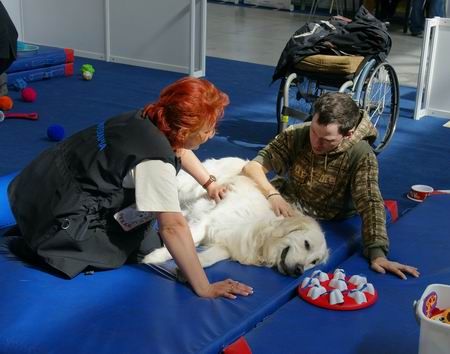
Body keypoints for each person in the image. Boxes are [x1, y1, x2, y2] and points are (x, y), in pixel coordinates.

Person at [7, 76, 253, 299]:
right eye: (208, 129)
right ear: (184, 130)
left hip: (36, 189)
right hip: (61, 222)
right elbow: (173, 228)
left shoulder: (146, 117)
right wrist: (204, 286)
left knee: (147, 238)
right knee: (131, 249)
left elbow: (178, 148)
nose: (212, 134)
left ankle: (36, 228)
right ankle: (42, 246)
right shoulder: (155, 163)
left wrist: (209, 182)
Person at [242, 92, 420, 280]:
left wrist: (378, 254)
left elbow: (371, 203)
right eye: (314, 132)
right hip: (290, 205)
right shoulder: (298, 134)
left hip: (332, 217)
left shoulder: (361, 155)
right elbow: (253, 167)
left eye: (327, 139)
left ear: (348, 134)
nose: (316, 143)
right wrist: (272, 194)